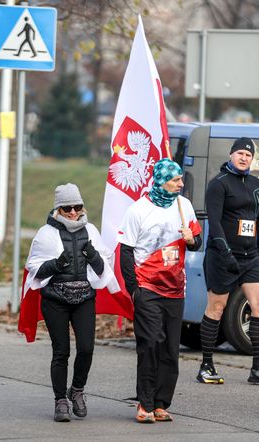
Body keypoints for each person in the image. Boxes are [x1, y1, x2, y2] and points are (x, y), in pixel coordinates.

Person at [118, 158, 202, 423]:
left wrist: (192, 239)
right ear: (161, 180)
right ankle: (144, 403)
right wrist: (134, 290)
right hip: (147, 287)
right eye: (176, 180)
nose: (180, 184)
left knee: (169, 349)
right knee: (150, 342)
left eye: (180, 180)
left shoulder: (183, 206)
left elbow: (197, 242)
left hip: (175, 288)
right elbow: (125, 252)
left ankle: (161, 403)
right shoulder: (138, 209)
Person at [24, 183, 114, 422]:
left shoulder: (91, 230)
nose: (73, 212)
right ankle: (60, 401)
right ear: (58, 210)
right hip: (55, 300)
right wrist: (56, 264)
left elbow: (105, 267)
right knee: (60, 351)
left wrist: (93, 255)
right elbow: (34, 270)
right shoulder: (46, 233)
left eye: (77, 207)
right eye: (67, 208)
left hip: (84, 298)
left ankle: (76, 390)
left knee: (86, 348)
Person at [198, 137, 259, 385]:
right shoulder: (219, 184)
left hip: (250, 259)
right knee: (216, 308)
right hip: (222, 257)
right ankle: (206, 366)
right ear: (231, 155)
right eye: (240, 153)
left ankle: (258, 368)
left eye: (248, 155)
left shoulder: (258, 185)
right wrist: (225, 253)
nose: (244, 158)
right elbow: (214, 223)